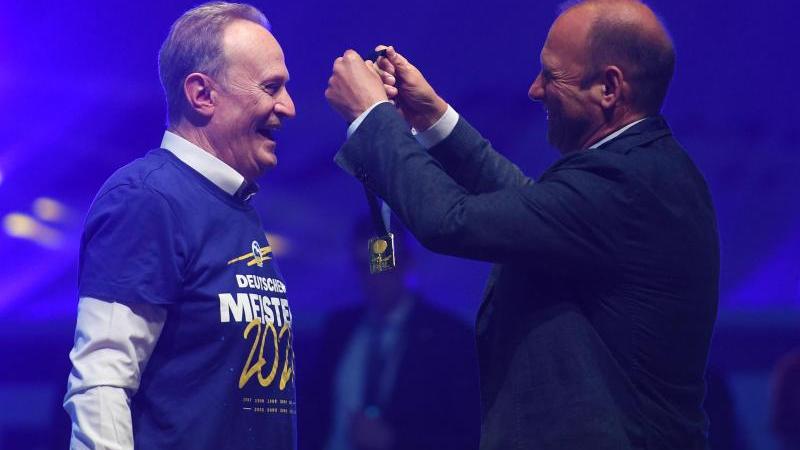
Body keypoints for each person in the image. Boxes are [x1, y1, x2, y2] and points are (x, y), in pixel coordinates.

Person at [324, 0, 719, 449]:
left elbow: (451, 221)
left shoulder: (627, 182)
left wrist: (372, 117)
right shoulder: (640, 171)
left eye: (551, 75)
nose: (534, 90)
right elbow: (523, 205)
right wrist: (431, 116)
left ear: (609, 87)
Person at [63, 2, 297, 449]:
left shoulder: (231, 205)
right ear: (202, 94)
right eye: (271, 87)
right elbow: (101, 381)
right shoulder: (148, 198)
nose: (288, 106)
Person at [297, 218, 480, 450]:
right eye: (365, 266)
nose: (374, 277)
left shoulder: (450, 337)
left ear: (407, 263)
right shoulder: (339, 328)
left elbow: (465, 431)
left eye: (383, 264)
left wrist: (396, 441)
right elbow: (312, 410)